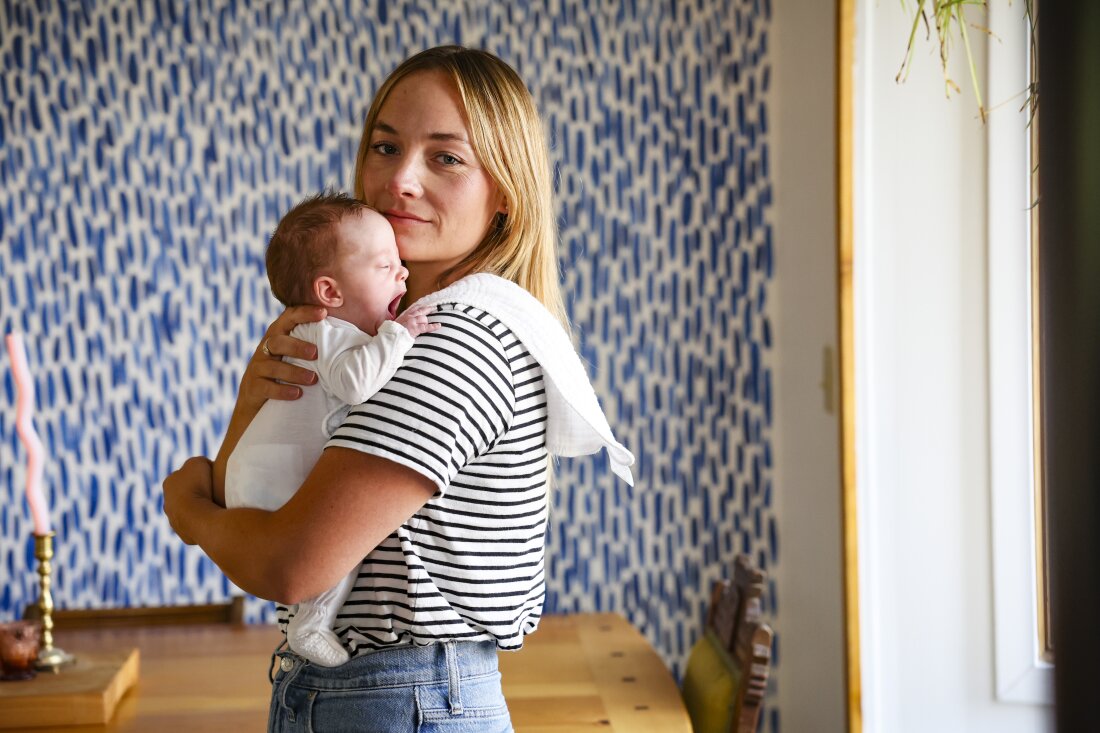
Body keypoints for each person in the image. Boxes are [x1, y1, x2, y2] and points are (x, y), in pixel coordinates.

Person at [163, 46, 633, 733]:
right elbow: (259, 499)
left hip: (395, 700)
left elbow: (291, 564)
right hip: (387, 696)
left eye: (445, 157)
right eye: (385, 146)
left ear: (504, 191)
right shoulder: (387, 333)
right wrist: (248, 404)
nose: (399, 179)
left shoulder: (453, 340)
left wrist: (189, 509)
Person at [217, 191, 438, 667]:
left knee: (334, 543)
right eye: (385, 267)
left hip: (265, 471)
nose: (402, 273)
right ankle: (311, 623)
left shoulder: (324, 332)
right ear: (330, 293)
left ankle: (309, 621)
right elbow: (356, 385)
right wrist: (399, 334)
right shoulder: (328, 331)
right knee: (334, 546)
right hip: (273, 476)